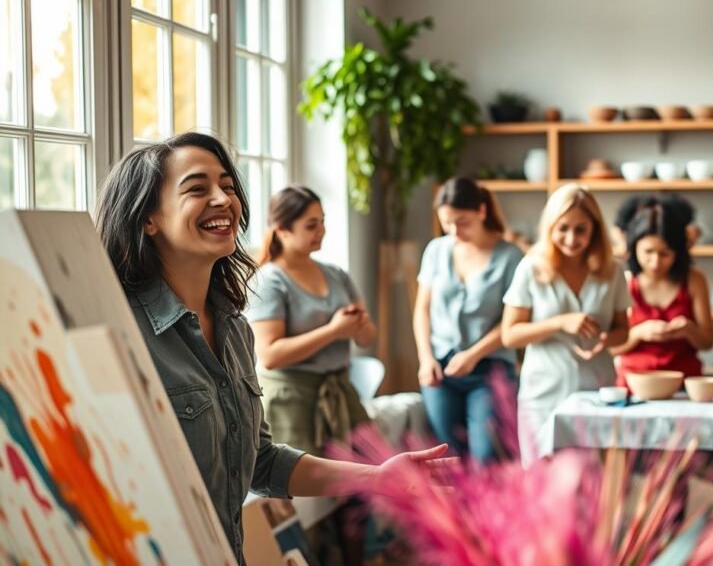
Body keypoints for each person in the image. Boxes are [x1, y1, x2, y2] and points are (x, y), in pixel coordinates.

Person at [95, 132, 446, 564]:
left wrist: (376, 477)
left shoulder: (235, 329)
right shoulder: (118, 330)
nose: (223, 199)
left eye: (228, 186)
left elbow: (261, 464)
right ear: (149, 218)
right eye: (197, 189)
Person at [501, 184, 630, 463]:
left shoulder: (613, 271)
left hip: (597, 392)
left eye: (581, 229)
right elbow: (509, 335)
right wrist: (560, 322)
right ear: (550, 227)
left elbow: (623, 332)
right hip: (543, 393)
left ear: (595, 229)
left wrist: (607, 339)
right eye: (563, 228)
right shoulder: (531, 268)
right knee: (541, 477)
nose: (571, 239)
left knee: (593, 478)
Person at [248, 185, 375, 454]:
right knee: (305, 478)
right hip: (291, 402)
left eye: (322, 222)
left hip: (340, 391)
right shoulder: (269, 281)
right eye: (311, 225)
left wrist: (358, 325)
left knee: (372, 470)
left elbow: (367, 338)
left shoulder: (336, 274)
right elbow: (269, 355)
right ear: (282, 230)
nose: (321, 230)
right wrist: (334, 331)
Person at [414, 177, 524, 463]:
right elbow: (422, 309)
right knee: (446, 457)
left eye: (462, 222)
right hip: (441, 370)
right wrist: (426, 359)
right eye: (447, 224)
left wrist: (473, 355)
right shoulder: (436, 250)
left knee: (485, 457)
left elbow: (511, 321)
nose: (454, 231)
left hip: (490, 368)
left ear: (482, 211)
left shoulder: (510, 257)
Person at [610, 198, 713, 382]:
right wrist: (638, 333)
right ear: (634, 249)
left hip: (684, 382)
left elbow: (708, 342)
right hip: (634, 383)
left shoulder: (694, 280)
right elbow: (611, 348)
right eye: (648, 252)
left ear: (678, 252)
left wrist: (689, 330)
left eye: (665, 253)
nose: (655, 262)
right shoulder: (625, 281)